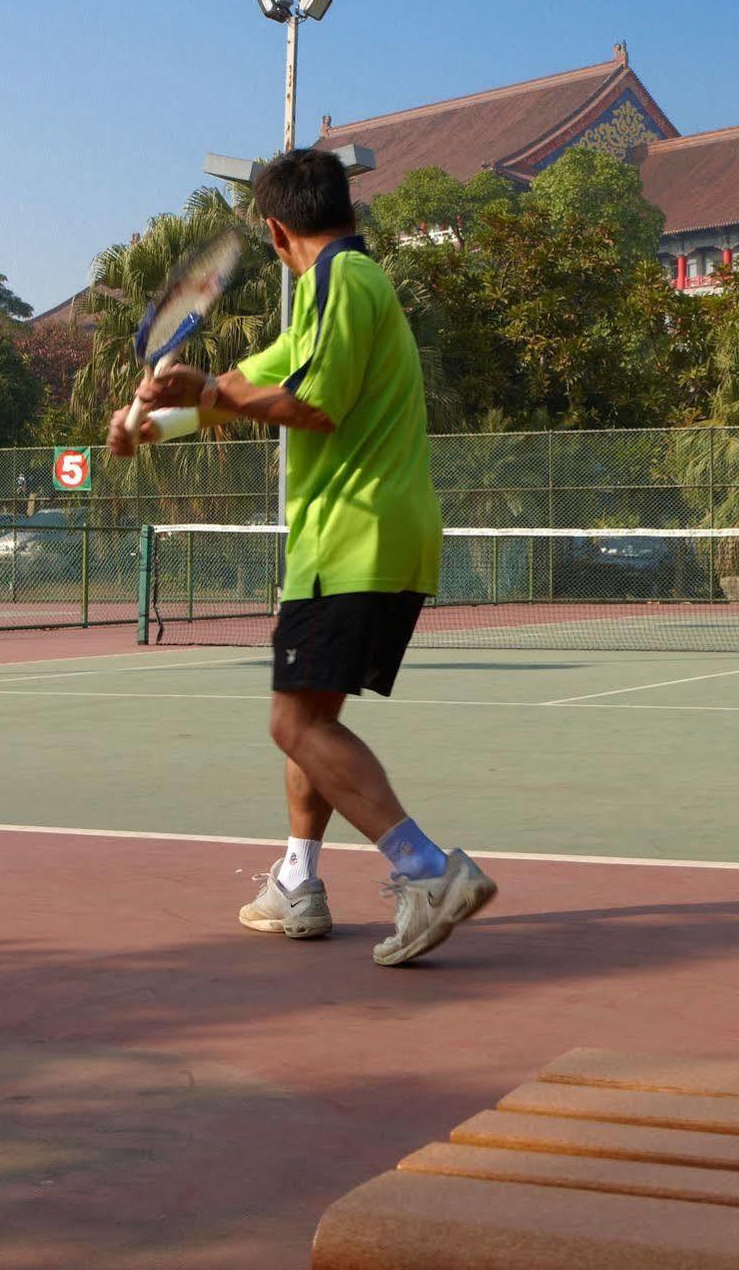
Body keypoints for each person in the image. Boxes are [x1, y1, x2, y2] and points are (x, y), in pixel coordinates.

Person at [108, 148, 495, 964]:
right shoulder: (335, 296)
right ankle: (298, 882)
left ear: (276, 230)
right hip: (368, 536)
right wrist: (148, 422)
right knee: (312, 722)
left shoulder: (344, 284)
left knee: (291, 722)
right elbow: (253, 384)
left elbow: (307, 407)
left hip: (351, 537)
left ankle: (427, 870)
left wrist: (207, 391)